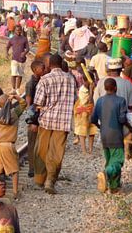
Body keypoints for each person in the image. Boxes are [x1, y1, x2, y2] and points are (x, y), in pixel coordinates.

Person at [33, 54, 76, 194]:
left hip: (46, 120)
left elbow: (38, 102)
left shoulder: (45, 79)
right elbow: (74, 98)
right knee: (57, 151)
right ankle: (50, 179)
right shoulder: (70, 79)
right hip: (63, 122)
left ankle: (41, 178)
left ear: (50, 65)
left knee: (42, 149)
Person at [91, 78, 129, 193]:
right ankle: (106, 173)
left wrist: (100, 127)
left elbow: (93, 119)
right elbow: (122, 119)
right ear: (115, 88)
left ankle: (113, 187)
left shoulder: (100, 101)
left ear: (105, 88)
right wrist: (131, 125)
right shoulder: (121, 101)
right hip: (116, 135)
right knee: (117, 161)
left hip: (104, 136)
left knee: (109, 159)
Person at [0, 94, 27, 199]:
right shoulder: (14, 114)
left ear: (0, 104)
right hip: (8, 145)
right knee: (14, 170)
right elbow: (23, 104)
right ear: (10, 103)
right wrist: (16, 97)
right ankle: (16, 192)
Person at [25, 60, 45, 177]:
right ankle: (32, 168)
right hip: (34, 115)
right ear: (35, 70)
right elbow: (28, 101)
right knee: (32, 143)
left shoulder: (41, 80)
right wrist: (31, 118)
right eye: (42, 68)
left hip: (40, 114)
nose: (44, 70)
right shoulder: (31, 83)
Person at [74, 72, 97, 155]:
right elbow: (89, 100)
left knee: (92, 130)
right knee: (82, 131)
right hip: (83, 112)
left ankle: (90, 149)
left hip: (91, 111)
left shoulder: (94, 88)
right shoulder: (82, 90)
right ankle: (84, 150)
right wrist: (91, 91)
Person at [6, 25, 29, 95]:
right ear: (14, 31)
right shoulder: (12, 39)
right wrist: (6, 53)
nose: (18, 32)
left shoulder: (24, 39)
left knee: (19, 75)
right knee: (13, 74)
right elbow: (7, 47)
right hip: (14, 59)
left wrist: (24, 53)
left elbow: (28, 49)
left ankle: (17, 89)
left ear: (21, 31)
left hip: (22, 59)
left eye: (19, 30)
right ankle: (13, 89)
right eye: (17, 30)